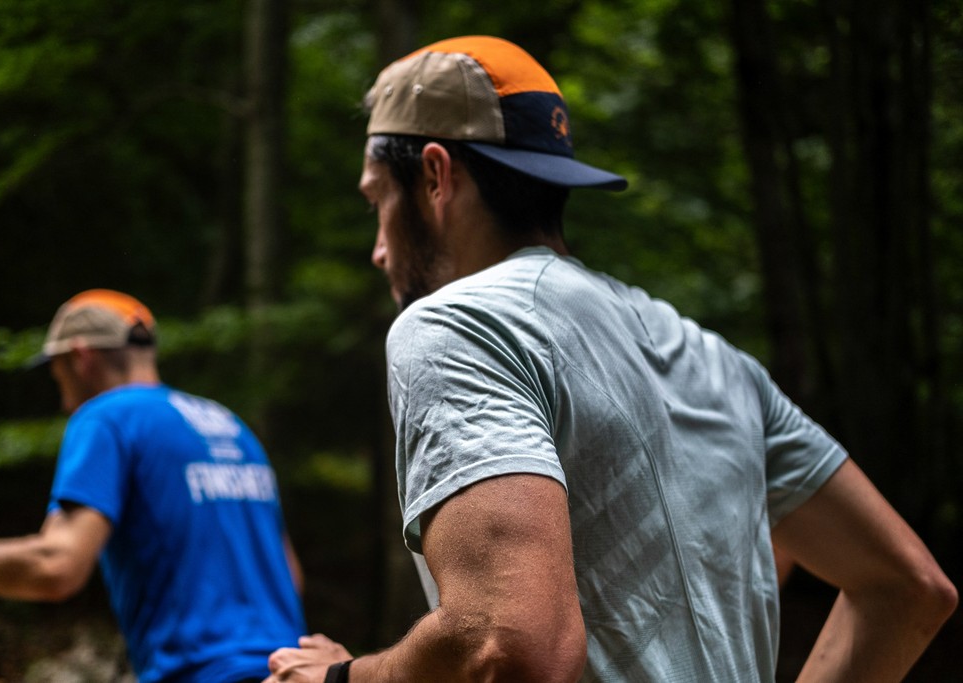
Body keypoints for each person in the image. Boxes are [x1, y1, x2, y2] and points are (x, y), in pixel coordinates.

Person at [266, 36, 958, 682]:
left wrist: (343, 676)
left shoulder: (459, 323)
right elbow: (908, 589)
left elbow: (511, 644)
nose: (379, 249)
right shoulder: (718, 361)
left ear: (437, 177)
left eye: (377, 200)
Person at [0, 289, 307, 683]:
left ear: (80, 357)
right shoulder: (231, 427)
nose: (63, 400)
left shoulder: (106, 418)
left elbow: (56, 567)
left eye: (56, 372)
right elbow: (290, 575)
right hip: (291, 673)